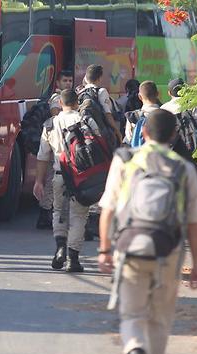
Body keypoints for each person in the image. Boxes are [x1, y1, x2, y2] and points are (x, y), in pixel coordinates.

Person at [98, 109, 197, 354]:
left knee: (132, 314)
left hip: (130, 248)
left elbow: (108, 209)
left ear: (143, 132)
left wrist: (104, 249)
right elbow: (194, 223)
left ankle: (135, 348)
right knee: (160, 319)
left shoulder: (125, 160)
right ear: (174, 136)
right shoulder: (184, 168)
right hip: (168, 251)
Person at [34, 89, 95, 272]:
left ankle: (60, 247)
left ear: (60, 103)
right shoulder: (84, 120)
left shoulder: (50, 124)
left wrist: (38, 181)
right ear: (77, 103)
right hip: (81, 176)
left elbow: (42, 156)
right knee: (79, 215)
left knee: (58, 212)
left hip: (59, 175)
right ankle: (72, 258)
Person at [36, 69, 75, 229]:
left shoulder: (68, 97)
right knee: (52, 182)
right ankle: (45, 212)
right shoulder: (56, 98)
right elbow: (54, 115)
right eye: (65, 80)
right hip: (57, 144)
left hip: (62, 144)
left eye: (70, 80)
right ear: (58, 82)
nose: (68, 83)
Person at [81, 64, 124, 145]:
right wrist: (117, 131)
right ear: (100, 78)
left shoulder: (81, 92)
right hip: (101, 131)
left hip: (86, 131)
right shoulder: (101, 91)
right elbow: (107, 113)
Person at [124, 80, 161, 146]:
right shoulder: (166, 115)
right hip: (159, 155)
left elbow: (129, 139)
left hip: (139, 154)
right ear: (158, 94)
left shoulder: (133, 117)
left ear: (139, 96)